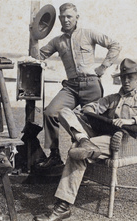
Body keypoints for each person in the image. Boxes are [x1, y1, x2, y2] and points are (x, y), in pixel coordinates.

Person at [33, 58, 137, 221]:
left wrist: (130, 120)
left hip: (123, 141)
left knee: (76, 151)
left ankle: (62, 207)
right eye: (123, 77)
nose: (126, 80)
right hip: (103, 136)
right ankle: (84, 140)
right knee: (65, 112)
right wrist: (93, 114)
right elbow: (91, 107)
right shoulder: (113, 98)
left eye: (130, 77)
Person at [36, 3, 121, 169]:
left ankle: (98, 163)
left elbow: (115, 45)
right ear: (59, 19)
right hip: (71, 87)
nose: (66, 20)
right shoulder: (57, 41)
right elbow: (38, 56)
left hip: (91, 85)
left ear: (77, 18)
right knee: (50, 112)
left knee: (95, 121)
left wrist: (103, 67)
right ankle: (54, 156)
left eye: (69, 16)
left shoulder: (88, 34)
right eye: (63, 17)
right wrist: (34, 33)